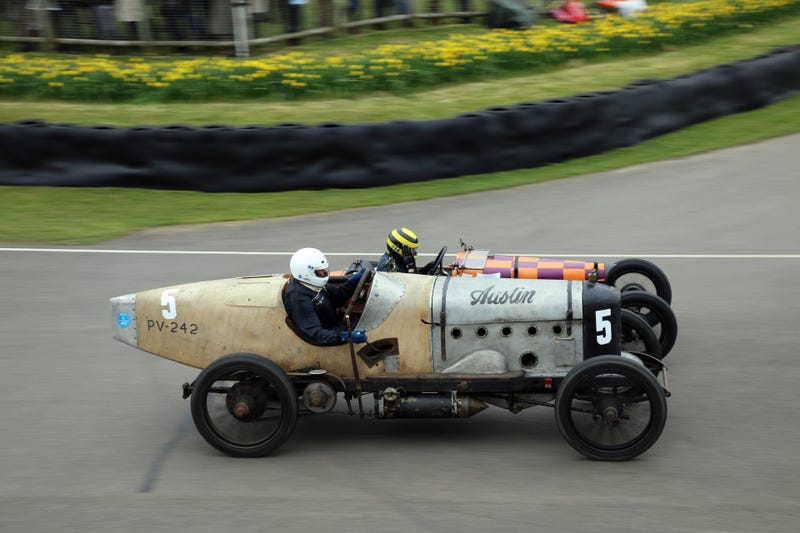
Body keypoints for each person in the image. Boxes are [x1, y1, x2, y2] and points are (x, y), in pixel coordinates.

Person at [283, 247, 368, 346]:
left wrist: (354, 281)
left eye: (324, 269)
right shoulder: (298, 298)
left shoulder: (314, 284)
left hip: (335, 326)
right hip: (327, 336)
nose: (325, 272)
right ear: (306, 272)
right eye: (320, 270)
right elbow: (316, 335)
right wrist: (345, 336)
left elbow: (338, 297)